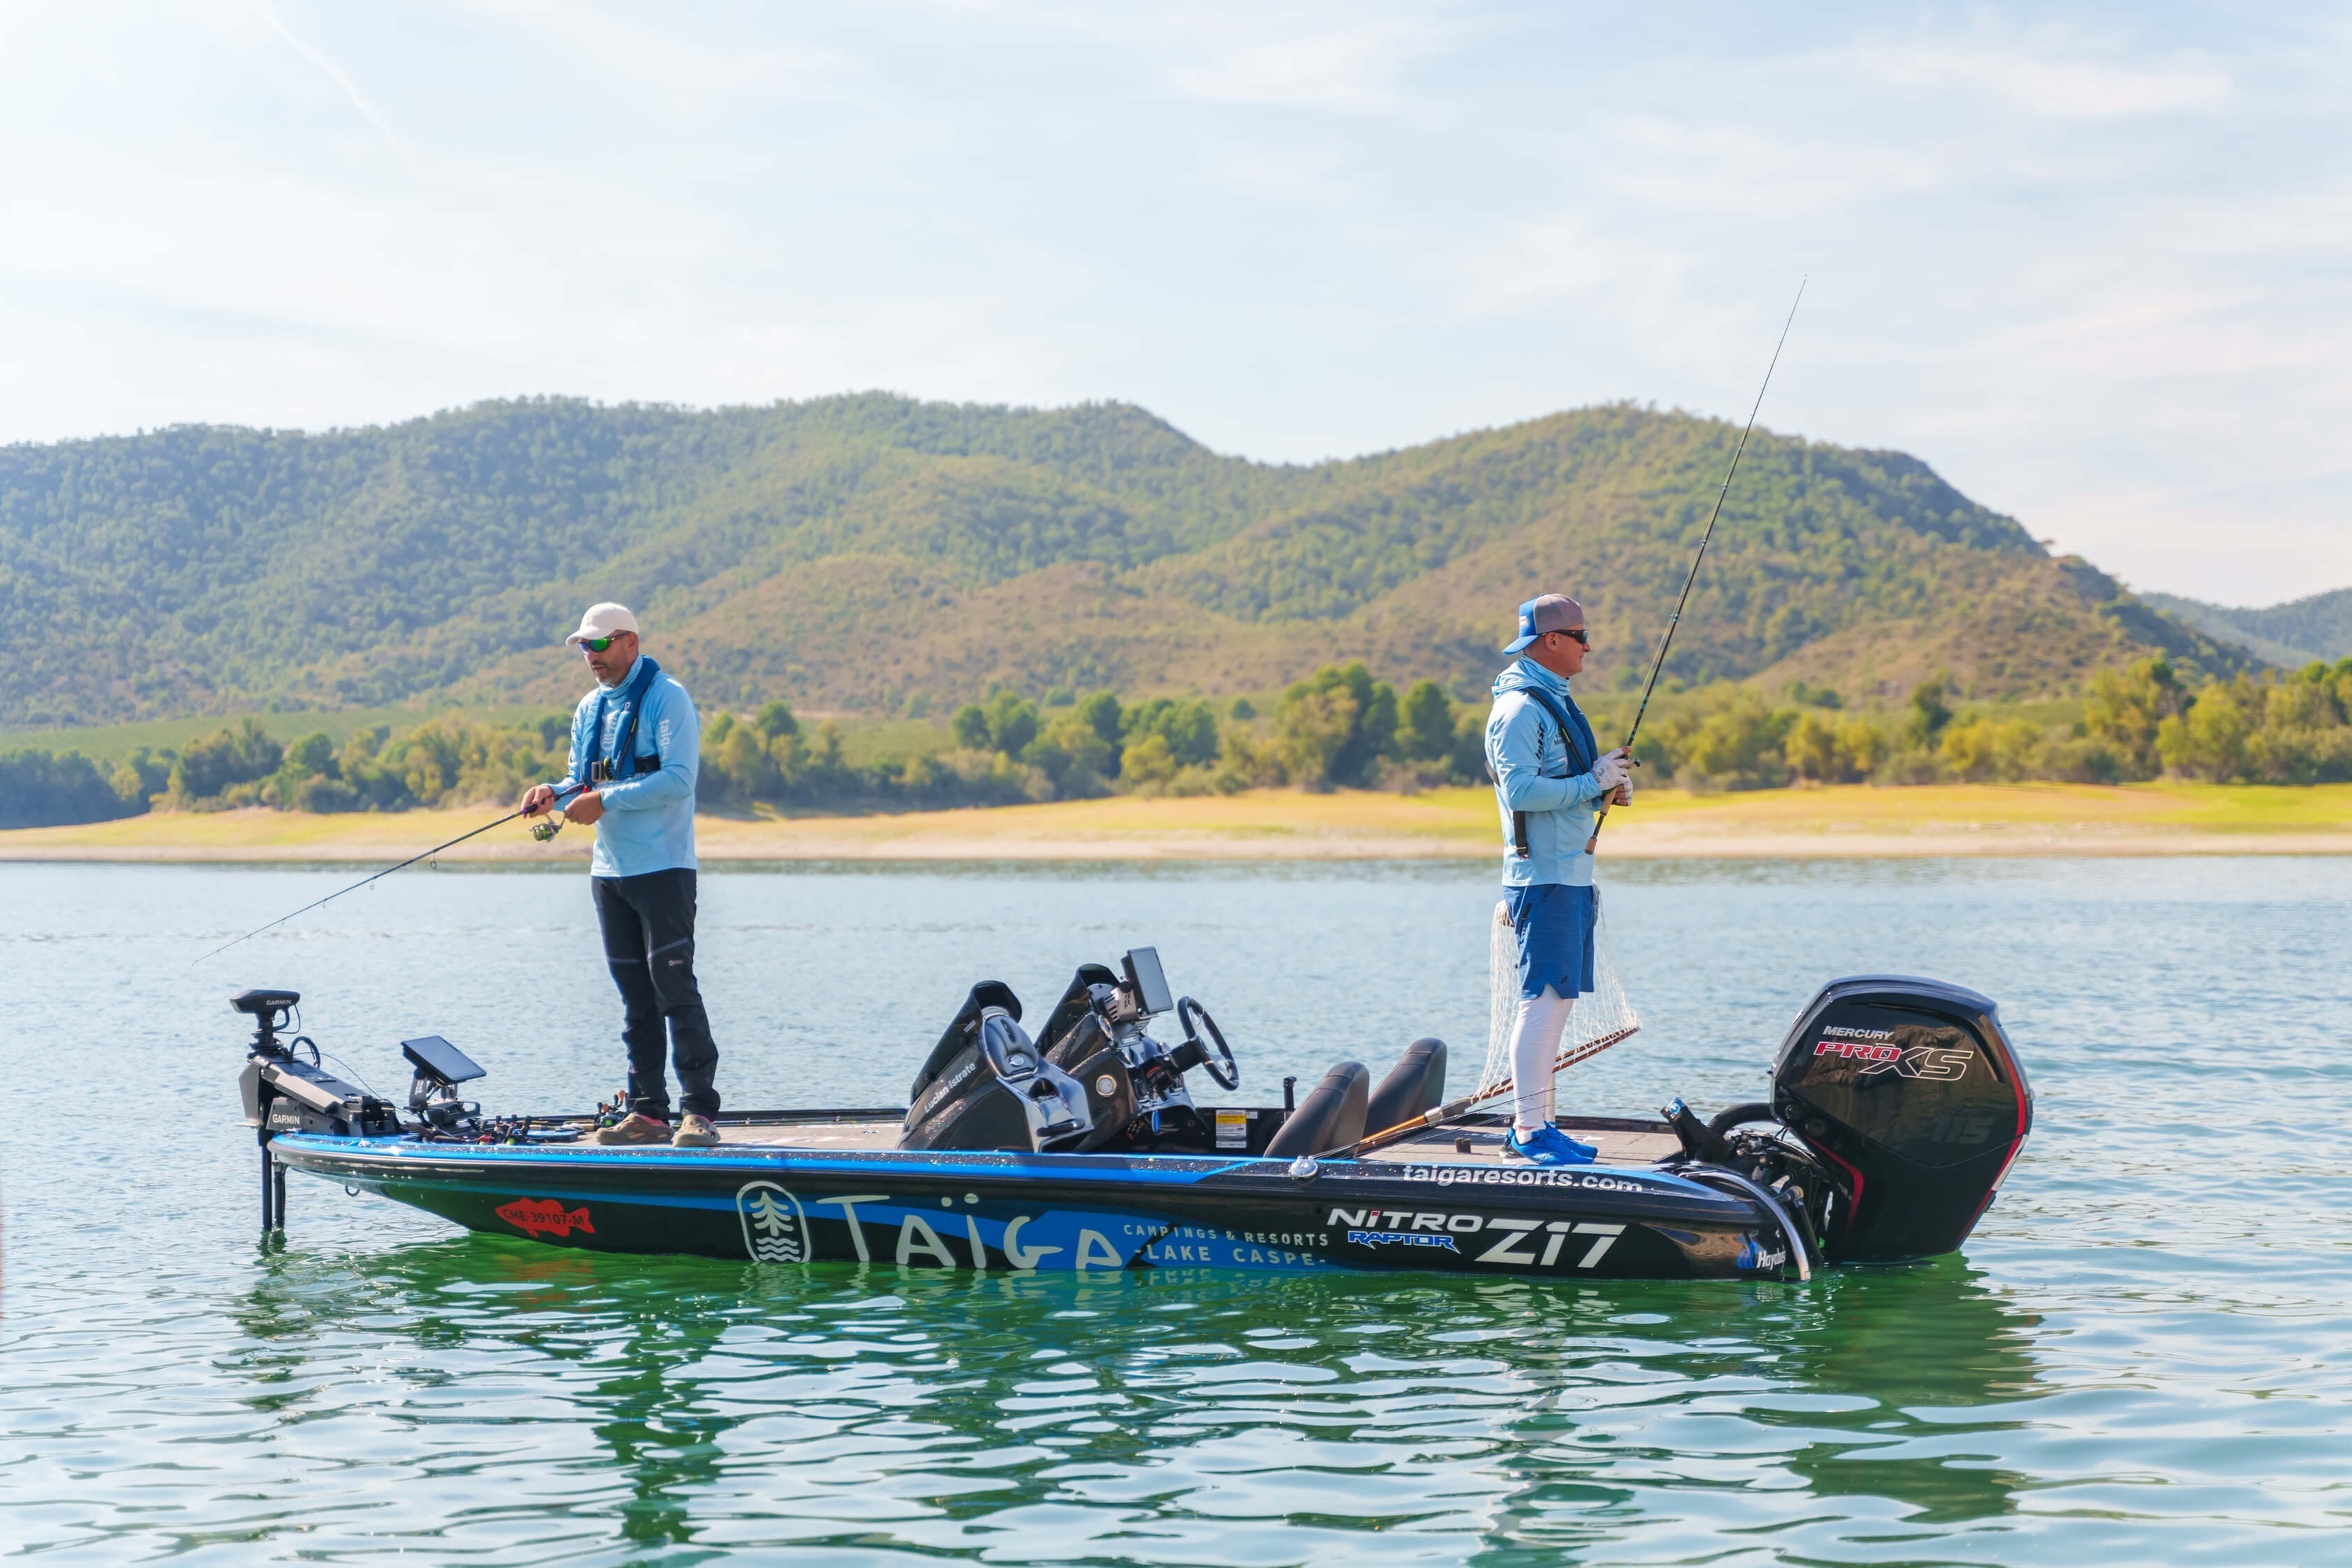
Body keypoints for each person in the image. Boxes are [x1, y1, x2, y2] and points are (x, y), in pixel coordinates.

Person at [521, 602, 722, 1149]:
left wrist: (602, 801)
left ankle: (698, 1113)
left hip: (664, 870)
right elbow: (576, 780)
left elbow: (679, 779)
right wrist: (551, 794)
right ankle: (647, 1111)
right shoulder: (589, 709)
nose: (591, 656)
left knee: (673, 990)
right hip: (610, 874)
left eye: (600, 645)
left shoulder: (668, 699)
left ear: (630, 641)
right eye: (584, 647)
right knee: (635, 1000)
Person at [1484, 593, 1632, 1167]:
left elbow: (1563, 785)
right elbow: (1519, 790)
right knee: (1542, 1003)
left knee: (1557, 1002)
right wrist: (1589, 781)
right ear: (1551, 640)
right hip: (1542, 879)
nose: (1588, 645)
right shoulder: (1521, 709)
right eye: (1580, 634)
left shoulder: (1554, 703)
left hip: (1568, 876)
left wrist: (1605, 786)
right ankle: (1527, 1129)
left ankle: (1541, 1122)